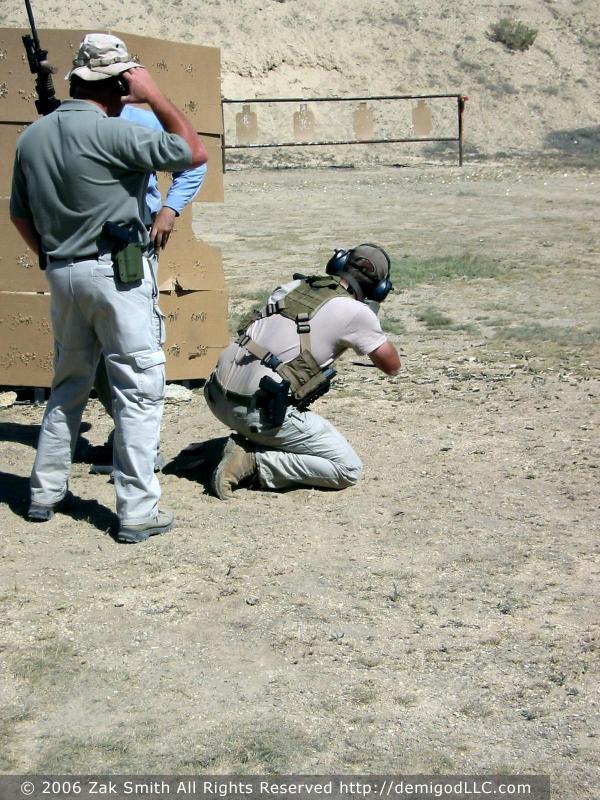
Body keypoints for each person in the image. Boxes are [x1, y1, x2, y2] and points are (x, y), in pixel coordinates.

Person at [10, 33, 207, 542]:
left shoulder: (31, 138)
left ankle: (44, 492)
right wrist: (156, 94)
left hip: (63, 272)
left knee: (69, 385)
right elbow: (192, 151)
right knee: (138, 391)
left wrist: (51, 257)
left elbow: (18, 213)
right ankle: (137, 510)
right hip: (116, 273)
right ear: (121, 82)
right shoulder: (114, 134)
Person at [204, 244, 401, 498]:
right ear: (380, 289)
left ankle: (233, 445)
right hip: (255, 413)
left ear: (339, 263)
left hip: (216, 394)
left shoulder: (293, 286)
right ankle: (254, 462)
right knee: (347, 468)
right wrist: (370, 320)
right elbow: (392, 367)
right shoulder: (357, 313)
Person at [90, 102, 207, 473]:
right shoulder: (75, 121)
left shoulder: (140, 121)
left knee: (136, 348)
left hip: (129, 248)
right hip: (84, 252)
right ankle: (128, 432)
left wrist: (169, 211)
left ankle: (144, 448)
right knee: (93, 354)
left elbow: (194, 162)